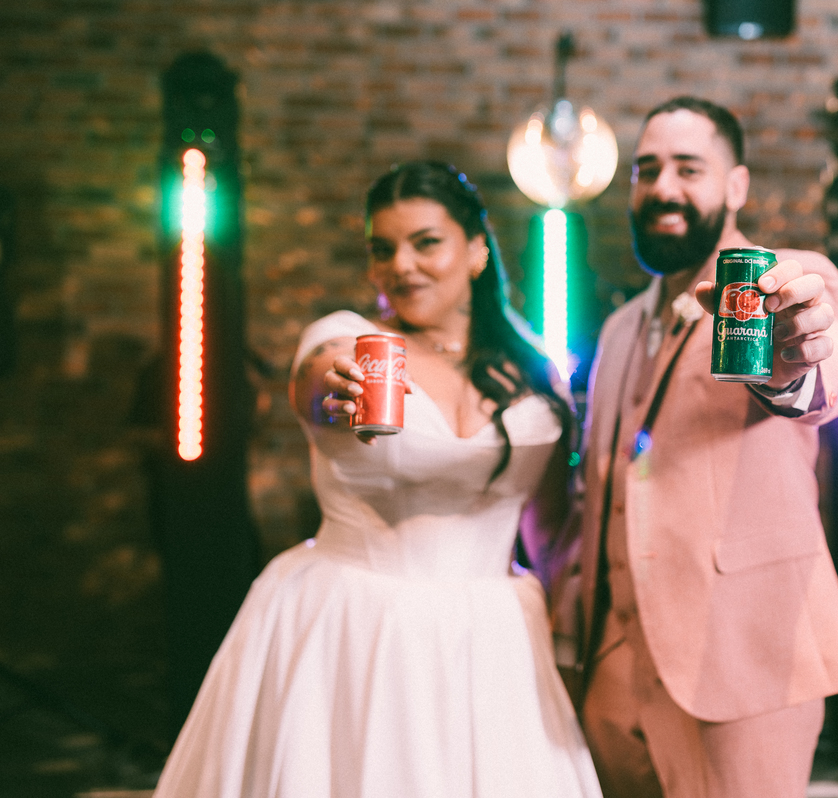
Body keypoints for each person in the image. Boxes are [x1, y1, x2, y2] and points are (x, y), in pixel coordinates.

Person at [153, 160, 603, 797]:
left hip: (493, 639)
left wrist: (573, 644)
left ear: (477, 250)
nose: (402, 266)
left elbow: (550, 527)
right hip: (356, 625)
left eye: (425, 243)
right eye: (383, 249)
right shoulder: (350, 341)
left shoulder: (531, 368)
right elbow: (317, 376)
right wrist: (331, 388)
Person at [557, 96, 838, 797]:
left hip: (741, 659)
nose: (662, 188)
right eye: (647, 170)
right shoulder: (617, 330)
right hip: (612, 669)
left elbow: (821, 377)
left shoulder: (779, 286)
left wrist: (796, 355)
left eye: (688, 169)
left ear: (736, 187)